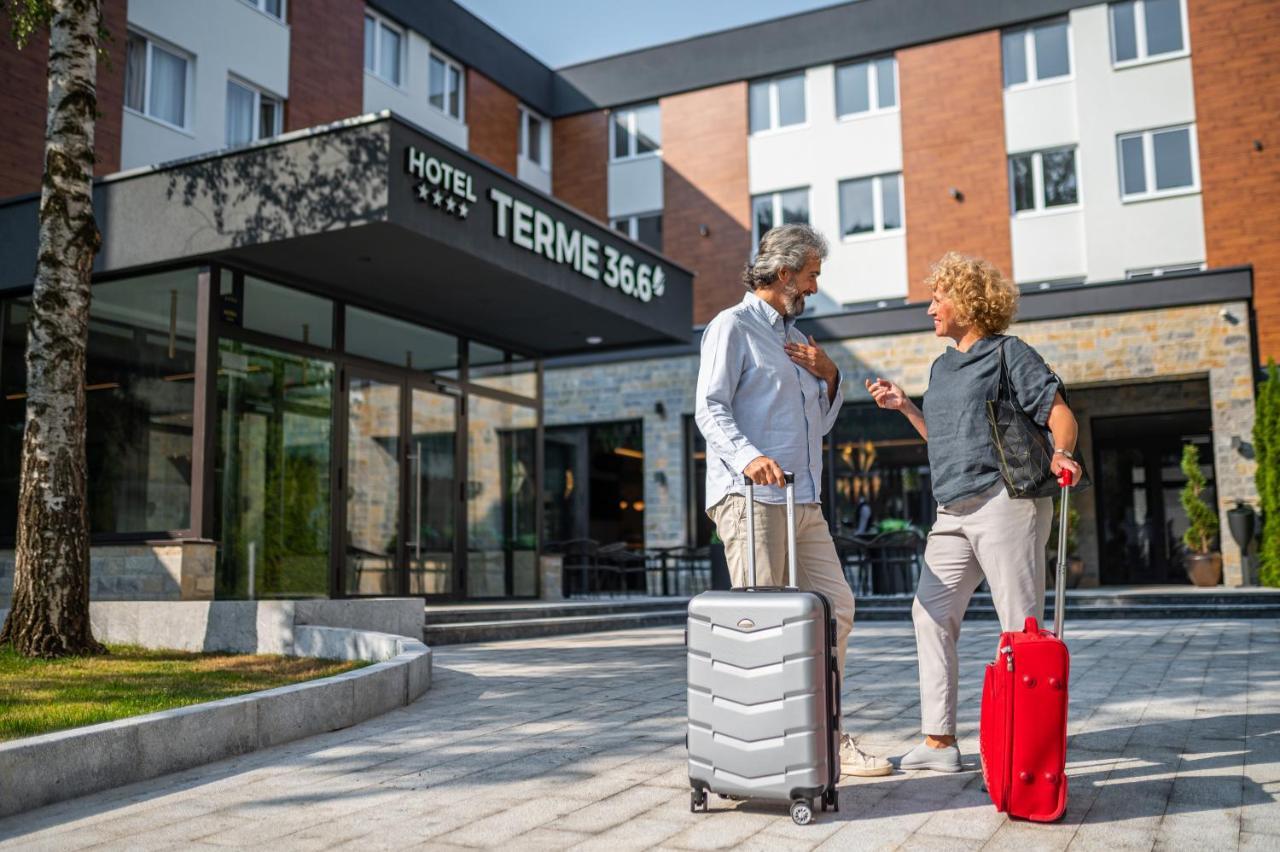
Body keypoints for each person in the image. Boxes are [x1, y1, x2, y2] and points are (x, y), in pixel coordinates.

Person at [865, 252, 1082, 773]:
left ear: (966, 300)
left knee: (1019, 627)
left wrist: (1062, 451)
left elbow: (1058, 412)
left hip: (1006, 501)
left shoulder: (1009, 353)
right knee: (930, 613)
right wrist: (907, 407)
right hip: (952, 510)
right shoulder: (940, 368)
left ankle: (1027, 750)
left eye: (938, 298)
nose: (929, 309)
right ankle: (940, 743)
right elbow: (942, 440)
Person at [695, 223, 891, 778]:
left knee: (836, 609)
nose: (814, 287)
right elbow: (710, 407)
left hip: (805, 500)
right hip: (752, 497)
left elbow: (819, 425)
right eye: (810, 276)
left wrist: (832, 376)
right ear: (783, 274)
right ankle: (763, 747)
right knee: (763, 623)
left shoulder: (799, 339)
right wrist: (747, 455)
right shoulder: (731, 327)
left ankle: (822, 732)